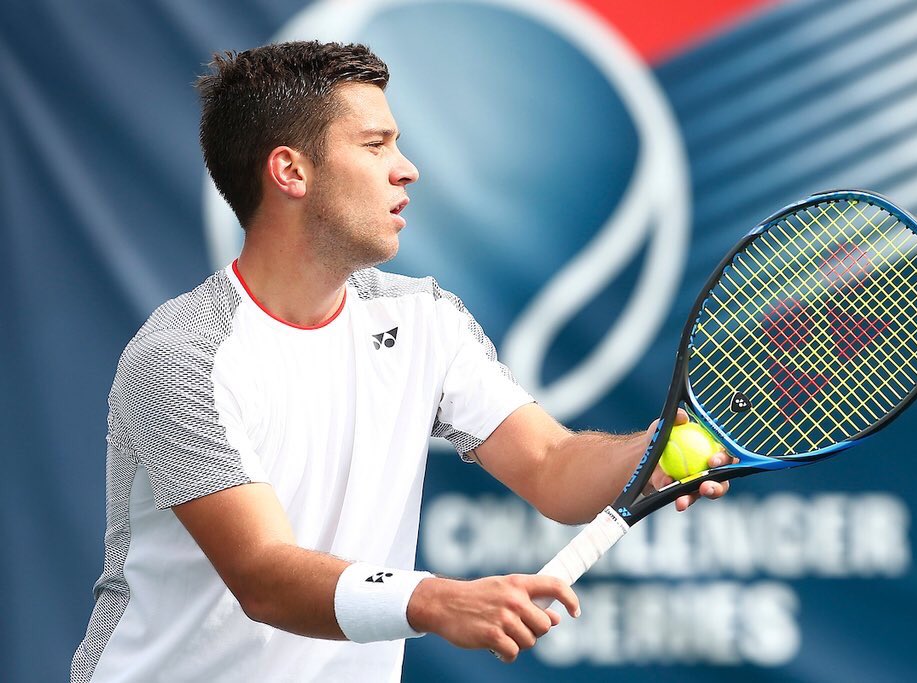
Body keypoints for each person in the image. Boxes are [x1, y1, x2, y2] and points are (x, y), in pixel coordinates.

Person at [71, 41, 731, 683]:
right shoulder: (182, 358)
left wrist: (647, 452)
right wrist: (434, 600)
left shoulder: (424, 321)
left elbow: (550, 465)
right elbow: (264, 575)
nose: (407, 168)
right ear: (290, 172)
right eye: (375, 144)